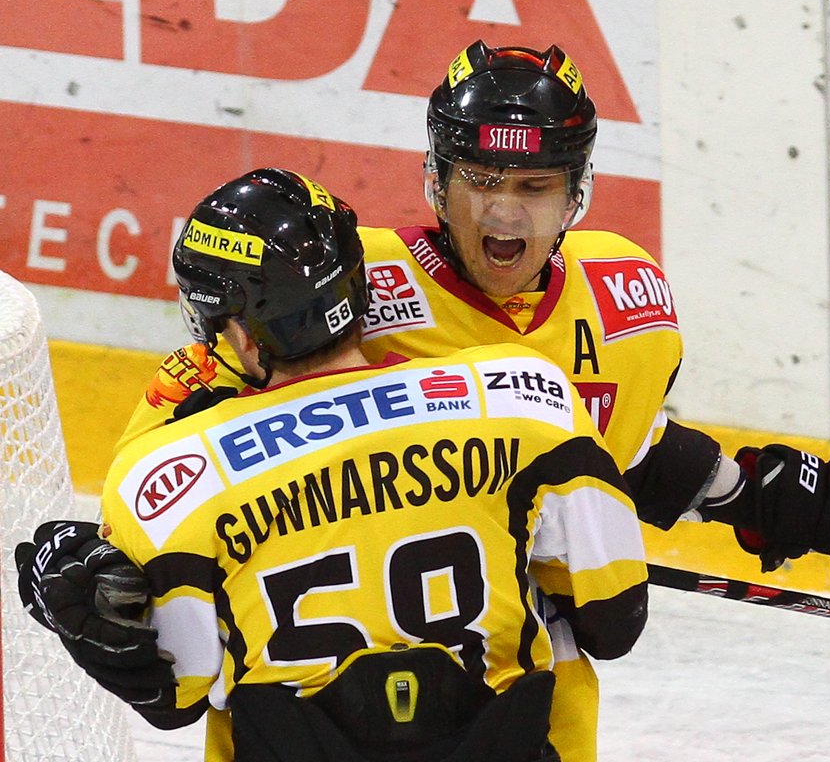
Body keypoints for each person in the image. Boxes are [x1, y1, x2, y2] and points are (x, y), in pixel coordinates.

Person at [20, 41, 830, 762]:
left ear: (577, 192)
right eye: (479, 182)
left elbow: (626, 447)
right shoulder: (346, 283)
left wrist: (759, 493)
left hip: (525, 721)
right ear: (435, 179)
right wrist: (94, 563)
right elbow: (187, 453)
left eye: (534, 187)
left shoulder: (626, 298)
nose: (503, 215)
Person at [16, 168, 649, 762]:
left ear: (241, 334)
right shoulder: (523, 396)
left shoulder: (174, 473)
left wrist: (72, 592)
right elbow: (615, 620)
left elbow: (173, 693)